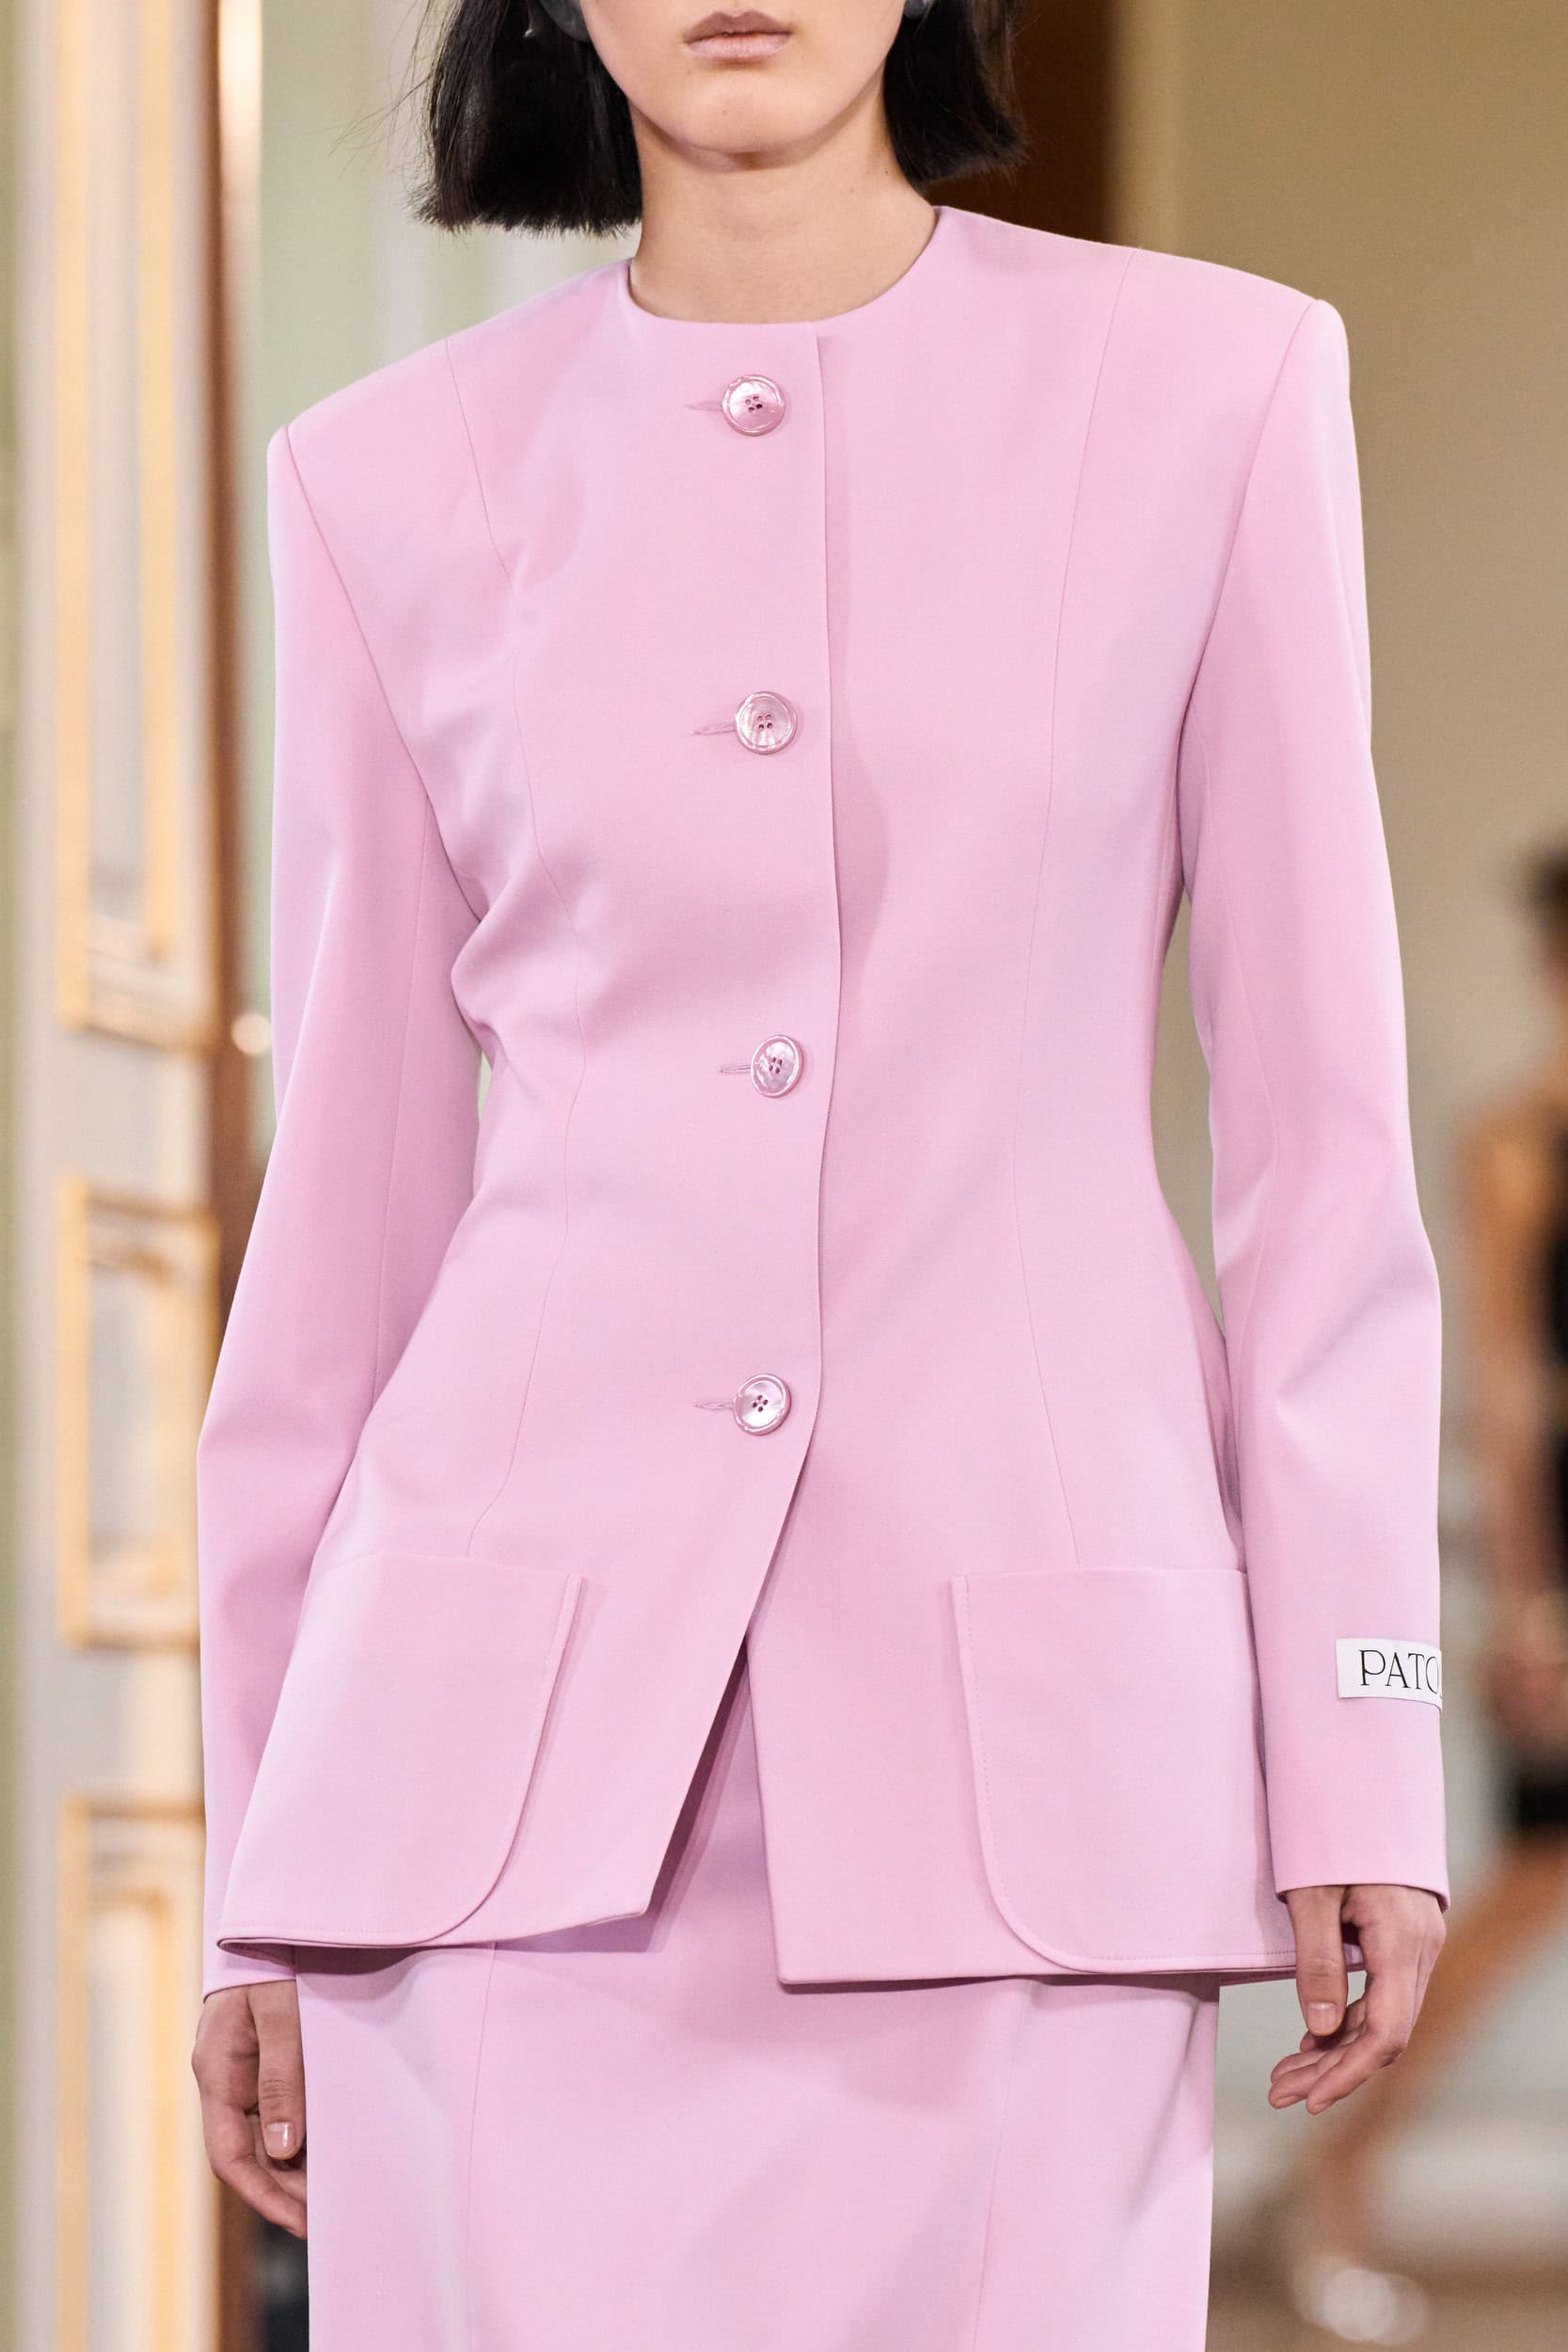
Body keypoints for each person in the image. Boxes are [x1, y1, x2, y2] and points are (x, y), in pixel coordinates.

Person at [189, 6, 1449, 2346]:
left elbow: (1321, 1150)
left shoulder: (1219, 392)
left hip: (1019, 1768)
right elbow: (340, 1238)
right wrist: (258, 1854)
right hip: (490, 1804)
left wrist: (1360, 1742)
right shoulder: (380, 478)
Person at [1280, 849, 1568, 2344]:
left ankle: (1330, 2176)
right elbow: (1505, 1398)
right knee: (1525, 1892)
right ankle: (1334, 2173)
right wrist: (1530, 1606)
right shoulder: (1514, 1148)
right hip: (1565, 1555)